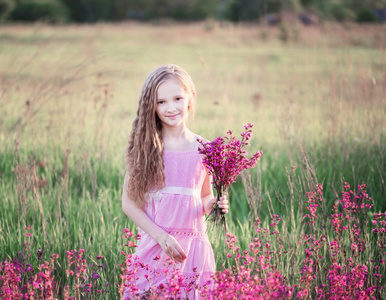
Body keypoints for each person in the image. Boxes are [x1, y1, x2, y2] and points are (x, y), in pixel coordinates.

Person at [122, 64, 229, 299]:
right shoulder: (145, 148)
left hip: (192, 250)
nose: (171, 108)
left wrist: (214, 205)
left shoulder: (206, 149)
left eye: (178, 98)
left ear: (190, 97)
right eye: (161, 102)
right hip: (156, 247)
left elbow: (203, 196)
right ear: (151, 106)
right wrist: (161, 237)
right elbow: (128, 204)